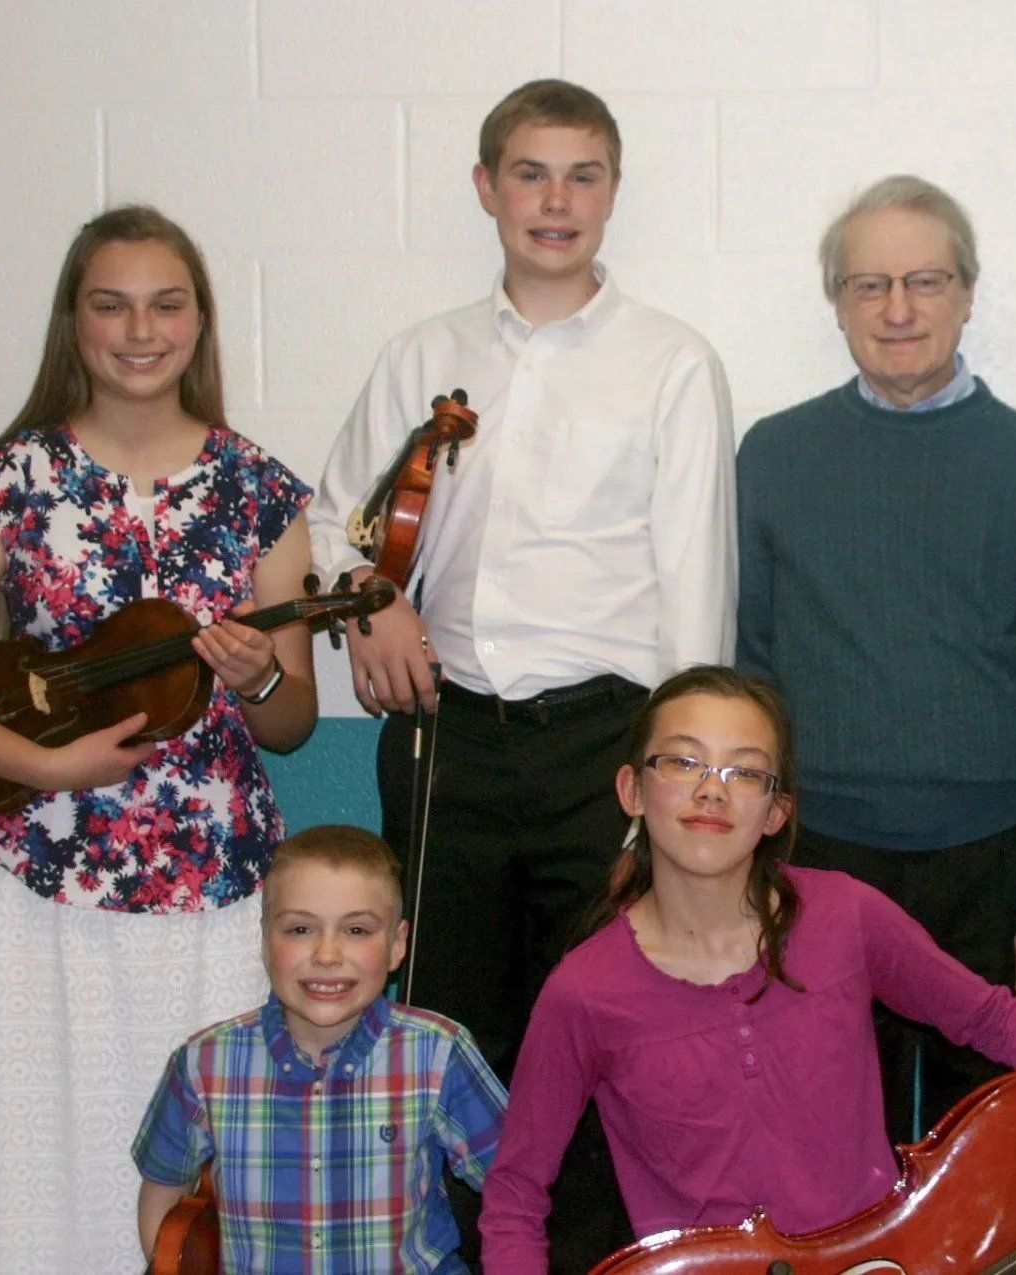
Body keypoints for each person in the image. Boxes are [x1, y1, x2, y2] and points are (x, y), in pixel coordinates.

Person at [306, 78, 735, 1266]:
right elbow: (331, 525)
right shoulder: (423, 357)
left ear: (613, 193)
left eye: (583, 174)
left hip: (606, 749)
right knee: (448, 1040)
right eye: (531, 174)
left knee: (607, 1045)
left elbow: (697, 594)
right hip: (448, 739)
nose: (557, 200)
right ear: (487, 189)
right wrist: (374, 607)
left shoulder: (673, 364)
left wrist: (674, 778)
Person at [478, 665, 1016, 1270]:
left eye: (746, 771)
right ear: (632, 791)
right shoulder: (584, 990)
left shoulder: (845, 916)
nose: (712, 788)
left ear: (775, 811)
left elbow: (990, 1016)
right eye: (684, 760)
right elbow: (515, 1192)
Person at [0, 206, 317, 1272]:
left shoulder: (259, 489)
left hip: (219, 893)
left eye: (166, 303)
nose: (141, 329)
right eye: (112, 304)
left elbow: (290, 722)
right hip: (50, 886)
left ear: (200, 321)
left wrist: (260, 671)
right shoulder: (14, 480)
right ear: (74, 323)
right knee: (50, 1164)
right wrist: (47, 767)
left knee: (209, 1186)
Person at [736, 174, 1016, 1145]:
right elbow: (748, 675)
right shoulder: (772, 458)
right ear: (837, 303)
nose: (898, 310)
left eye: (925, 281)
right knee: (822, 1169)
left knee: (996, 1175)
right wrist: (746, 870)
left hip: (994, 873)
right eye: (869, 286)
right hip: (819, 867)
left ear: (969, 293)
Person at [134, 825, 507, 1273]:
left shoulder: (439, 1053)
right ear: (265, 940)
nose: (327, 954)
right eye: (299, 928)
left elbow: (516, 1185)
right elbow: (163, 1198)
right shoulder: (203, 1065)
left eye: (355, 929)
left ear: (396, 945)